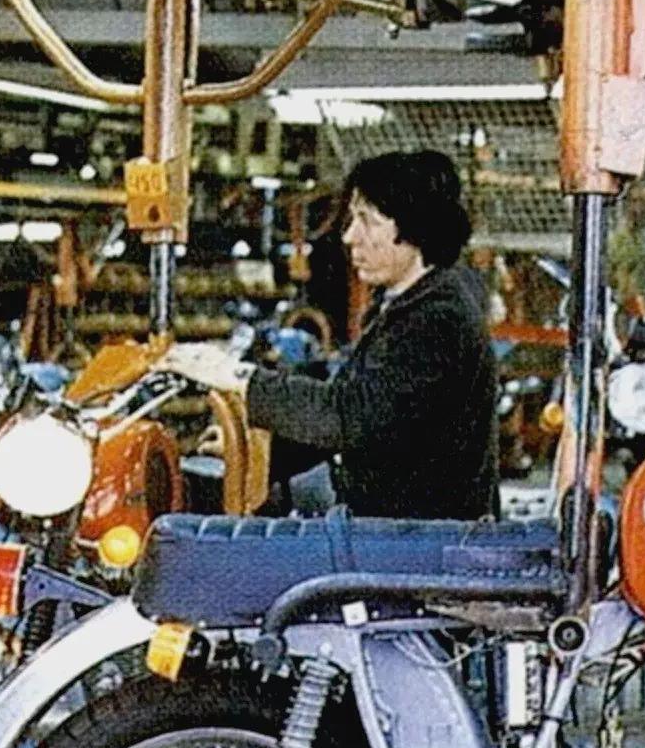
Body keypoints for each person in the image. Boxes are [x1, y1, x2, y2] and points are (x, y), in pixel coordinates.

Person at [162, 149, 499, 519]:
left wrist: (236, 375)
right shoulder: (405, 304)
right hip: (396, 526)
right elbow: (367, 415)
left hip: (422, 538)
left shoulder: (438, 320)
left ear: (414, 228)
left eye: (367, 221)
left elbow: (345, 416)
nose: (350, 236)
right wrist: (258, 449)